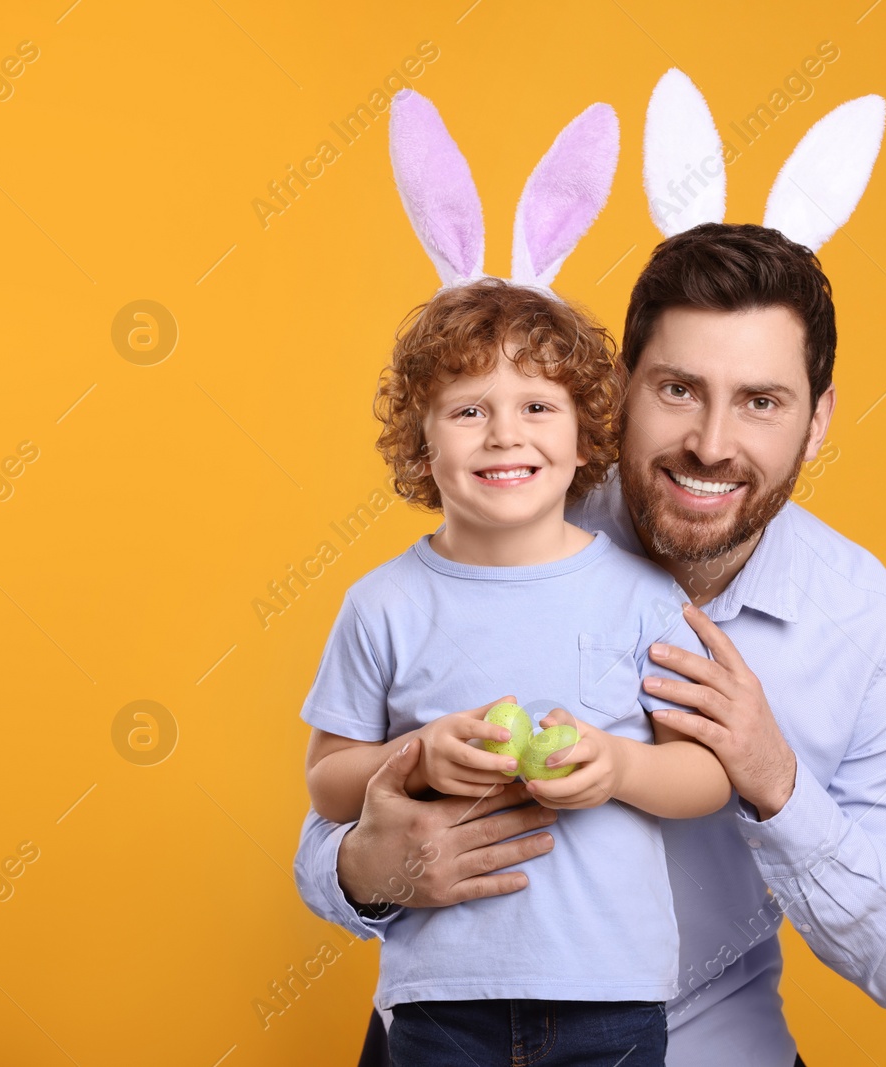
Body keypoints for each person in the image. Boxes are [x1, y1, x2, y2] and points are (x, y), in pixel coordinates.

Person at [293, 223, 886, 1067]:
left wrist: (775, 782)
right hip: (454, 1024)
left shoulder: (864, 622)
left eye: (762, 401)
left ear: (817, 419)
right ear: (619, 388)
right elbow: (338, 806)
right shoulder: (517, 510)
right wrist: (370, 870)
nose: (712, 443)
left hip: (700, 1040)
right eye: (679, 389)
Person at [302, 277, 731, 1065]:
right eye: (469, 410)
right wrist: (420, 754)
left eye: (538, 406)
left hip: (612, 992)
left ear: (584, 435)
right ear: (422, 442)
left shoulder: (641, 597)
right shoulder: (382, 605)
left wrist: (619, 765)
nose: (505, 434)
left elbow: (705, 773)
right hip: (440, 998)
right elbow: (328, 780)